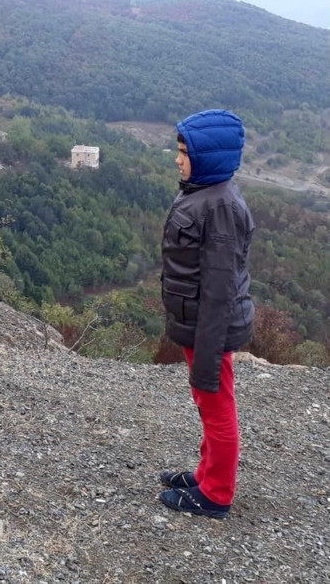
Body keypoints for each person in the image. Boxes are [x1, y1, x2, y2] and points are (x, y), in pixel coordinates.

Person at [158, 109, 255, 519]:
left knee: (216, 407)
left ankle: (216, 494)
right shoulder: (204, 193)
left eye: (184, 152)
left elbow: (219, 292)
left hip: (208, 328)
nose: (177, 160)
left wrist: (209, 356)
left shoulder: (218, 208)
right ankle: (206, 473)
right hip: (197, 326)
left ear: (209, 157)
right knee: (207, 403)